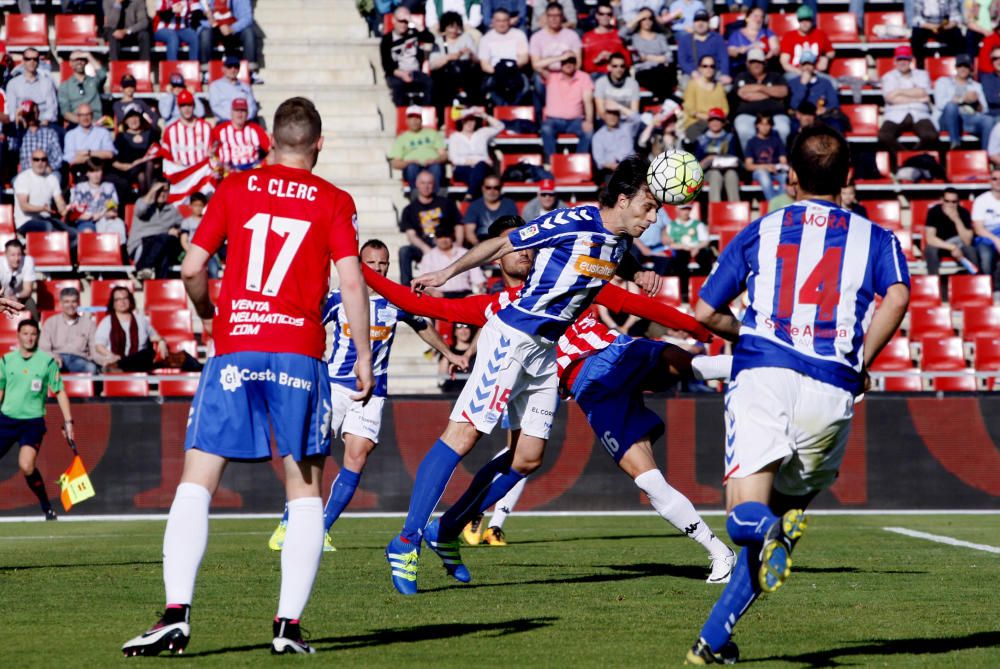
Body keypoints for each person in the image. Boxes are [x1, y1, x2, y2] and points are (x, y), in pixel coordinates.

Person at [121, 97, 374, 657]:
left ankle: (176, 613)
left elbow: (191, 267)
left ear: (269, 140)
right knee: (304, 490)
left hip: (235, 347)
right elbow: (352, 284)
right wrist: (362, 353)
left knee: (197, 478)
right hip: (298, 353)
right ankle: (287, 627)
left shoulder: (235, 188)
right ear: (319, 143)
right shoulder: (334, 200)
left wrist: (210, 311)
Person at [369, 209, 737, 589]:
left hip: (613, 356)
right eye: (517, 244)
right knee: (507, 450)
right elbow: (424, 307)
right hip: (576, 381)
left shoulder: (573, 278)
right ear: (498, 256)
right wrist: (353, 265)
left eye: (530, 242)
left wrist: (703, 326)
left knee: (530, 456)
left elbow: (640, 306)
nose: (525, 250)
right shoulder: (493, 305)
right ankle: (427, 533)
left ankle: (444, 530)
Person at [382, 157, 663, 595]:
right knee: (462, 437)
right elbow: (503, 244)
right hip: (511, 338)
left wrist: (638, 272)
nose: (653, 217)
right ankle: (405, 541)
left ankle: (446, 531)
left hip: (544, 350)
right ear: (623, 199)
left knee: (528, 457)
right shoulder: (573, 221)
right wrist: (446, 272)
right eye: (647, 206)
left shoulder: (620, 243)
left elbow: (609, 263)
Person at [684, 124, 910, 665]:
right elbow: (898, 296)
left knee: (746, 518)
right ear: (849, 177)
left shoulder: (763, 229)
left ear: (789, 176)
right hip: (832, 389)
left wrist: (754, 335)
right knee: (779, 523)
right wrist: (861, 363)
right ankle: (712, 643)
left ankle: (768, 528)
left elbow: (705, 312)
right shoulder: (876, 238)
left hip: (765, 375)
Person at [268, 239, 464, 553]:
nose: (378, 269)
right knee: (312, 454)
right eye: (372, 264)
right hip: (334, 385)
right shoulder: (339, 299)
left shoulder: (395, 303)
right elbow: (309, 326)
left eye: (383, 264)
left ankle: (321, 530)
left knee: (358, 456)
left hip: (374, 392)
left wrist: (449, 353)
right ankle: (287, 523)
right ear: (360, 265)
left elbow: (422, 324)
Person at [0, 319, 75, 522]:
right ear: (18, 335)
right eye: (25, 333)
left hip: (32, 422)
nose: (29, 337)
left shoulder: (47, 362)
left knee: (27, 466)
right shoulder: (6, 361)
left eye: (33, 334)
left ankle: (47, 508)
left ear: (38, 337)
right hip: (6, 420)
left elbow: (59, 391)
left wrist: (68, 422)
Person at [399, 170, 463, 286]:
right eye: (423, 183)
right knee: (404, 251)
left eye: (429, 183)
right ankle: (406, 287)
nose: (426, 186)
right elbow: (411, 235)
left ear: (434, 185)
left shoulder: (447, 203)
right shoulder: (409, 209)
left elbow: (458, 225)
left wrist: (458, 244)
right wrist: (426, 250)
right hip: (424, 246)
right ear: (417, 184)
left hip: (446, 243)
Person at [879, 45, 938, 154]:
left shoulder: (922, 74)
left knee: (931, 136)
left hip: (919, 113)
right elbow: (891, 99)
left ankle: (911, 158)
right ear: (895, 61)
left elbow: (923, 92)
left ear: (911, 60)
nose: (902, 62)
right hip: (895, 113)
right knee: (884, 136)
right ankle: (907, 158)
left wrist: (898, 91)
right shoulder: (888, 76)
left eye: (905, 59)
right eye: (899, 59)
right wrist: (917, 98)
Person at [93, 287, 168, 372]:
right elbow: (99, 346)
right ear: (113, 304)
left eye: (125, 298)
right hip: (116, 359)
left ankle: (121, 366)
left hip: (137, 362)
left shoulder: (141, 320)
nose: (122, 302)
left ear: (130, 300)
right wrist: (111, 355)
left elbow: (155, 337)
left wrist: (162, 342)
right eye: (118, 299)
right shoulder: (107, 321)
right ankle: (121, 365)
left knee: (148, 353)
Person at [529, 2, 582, 117]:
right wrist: (560, 58)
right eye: (551, 16)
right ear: (546, 17)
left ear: (562, 17)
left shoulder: (572, 35)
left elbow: (578, 63)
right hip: (546, 73)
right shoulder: (537, 37)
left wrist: (564, 73)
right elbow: (535, 64)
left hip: (567, 73)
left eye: (557, 16)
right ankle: (542, 118)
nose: (554, 19)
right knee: (537, 80)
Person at [539, 54, 593, 166]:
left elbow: (588, 101)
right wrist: (559, 57)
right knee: (546, 128)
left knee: (588, 131)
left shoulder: (583, 77)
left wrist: (589, 120)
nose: (568, 64)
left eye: (571, 61)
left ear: (576, 63)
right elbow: (536, 65)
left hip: (575, 121)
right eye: (565, 61)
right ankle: (551, 164)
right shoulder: (552, 76)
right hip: (553, 120)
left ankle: (580, 163)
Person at [732, 48, 790, 149]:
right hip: (747, 114)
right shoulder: (742, 76)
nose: (756, 64)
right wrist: (770, 92)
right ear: (747, 63)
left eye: (759, 61)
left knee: (783, 129)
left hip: (775, 114)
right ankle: (750, 160)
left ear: (765, 62)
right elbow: (743, 94)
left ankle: (780, 159)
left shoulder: (775, 76)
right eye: (752, 62)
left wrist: (760, 88)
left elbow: (783, 92)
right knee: (744, 129)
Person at [934, 53, 992, 149]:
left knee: (988, 120)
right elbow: (940, 104)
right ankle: (955, 143)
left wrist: (977, 102)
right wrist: (962, 99)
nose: (963, 69)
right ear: (956, 68)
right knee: (951, 107)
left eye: (966, 66)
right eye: (960, 66)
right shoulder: (943, 82)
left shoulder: (976, 86)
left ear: (970, 69)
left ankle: (986, 156)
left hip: (967, 118)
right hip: (947, 119)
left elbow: (984, 110)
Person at [381, 5, 435, 106]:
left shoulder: (414, 33)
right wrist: (402, 74)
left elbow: (430, 38)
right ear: (394, 20)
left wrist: (414, 22)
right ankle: (402, 114)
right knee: (398, 86)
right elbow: (387, 65)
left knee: (429, 83)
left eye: (406, 21)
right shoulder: (387, 40)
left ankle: (424, 112)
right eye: (400, 21)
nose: (403, 24)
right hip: (397, 73)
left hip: (415, 72)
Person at [129, 181, 184, 279]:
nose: (162, 194)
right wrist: (152, 191)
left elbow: (183, 225)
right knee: (164, 240)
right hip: (142, 245)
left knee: (167, 247)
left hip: (162, 244)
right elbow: (140, 210)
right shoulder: (142, 202)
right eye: (159, 191)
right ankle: (145, 268)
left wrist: (177, 231)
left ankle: (153, 277)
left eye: (165, 191)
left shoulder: (171, 210)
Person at [447, 107, 504, 201]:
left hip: (482, 168)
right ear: (462, 122)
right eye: (467, 120)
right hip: (463, 168)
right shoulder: (455, 137)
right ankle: (477, 196)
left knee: (480, 168)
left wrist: (484, 115)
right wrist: (474, 161)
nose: (470, 123)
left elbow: (500, 126)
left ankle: (470, 195)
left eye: (472, 120)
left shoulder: (482, 133)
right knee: (479, 172)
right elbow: (454, 159)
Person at [40, 287, 99, 374]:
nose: (70, 305)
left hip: (79, 360)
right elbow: (43, 348)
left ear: (78, 303)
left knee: (91, 368)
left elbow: (94, 350)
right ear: (61, 304)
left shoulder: (89, 324)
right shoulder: (50, 322)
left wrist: (106, 361)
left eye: (73, 301)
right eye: (66, 302)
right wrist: (54, 357)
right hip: (57, 358)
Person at [429, 12, 481, 112]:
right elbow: (433, 64)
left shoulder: (466, 38)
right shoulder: (438, 41)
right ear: (445, 27)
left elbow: (477, 60)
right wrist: (449, 57)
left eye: (457, 27)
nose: (454, 31)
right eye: (451, 27)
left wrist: (470, 55)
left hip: (465, 73)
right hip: (445, 74)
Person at [416, 225, 487, 297]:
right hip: (440, 296)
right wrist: (432, 291)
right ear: (435, 239)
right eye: (440, 237)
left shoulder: (465, 253)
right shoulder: (428, 257)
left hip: (465, 295)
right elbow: (424, 283)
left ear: (452, 237)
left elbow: (478, 278)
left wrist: (479, 289)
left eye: (446, 236)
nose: (443, 240)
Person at [478, 9, 530, 106]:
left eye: (504, 20)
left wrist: (509, 69)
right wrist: (499, 70)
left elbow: (524, 58)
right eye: (498, 21)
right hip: (495, 73)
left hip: (515, 71)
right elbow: (484, 64)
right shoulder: (486, 38)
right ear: (493, 22)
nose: (501, 24)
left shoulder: (519, 35)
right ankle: (501, 112)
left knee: (524, 87)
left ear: (509, 21)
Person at [389, 105, 447, 192]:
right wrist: (408, 162)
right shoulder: (402, 138)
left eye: (417, 118)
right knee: (412, 168)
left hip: (431, 165)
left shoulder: (433, 133)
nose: (414, 121)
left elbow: (444, 156)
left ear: (421, 119)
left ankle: (435, 199)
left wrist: (435, 160)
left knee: (436, 168)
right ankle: (417, 198)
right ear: (407, 120)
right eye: (411, 118)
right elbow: (394, 163)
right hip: (412, 167)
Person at [199, 0, 260, 80]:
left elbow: (247, 18)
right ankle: (206, 72)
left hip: (233, 28)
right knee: (205, 33)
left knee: (249, 33)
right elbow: (199, 17)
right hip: (213, 28)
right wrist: (211, 22)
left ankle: (251, 71)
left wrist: (232, 28)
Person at [13, 150, 70, 235]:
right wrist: (42, 208)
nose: (40, 162)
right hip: (26, 221)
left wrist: (65, 208)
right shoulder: (23, 178)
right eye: (36, 159)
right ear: (31, 161)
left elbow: (59, 202)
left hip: (46, 219)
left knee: (73, 234)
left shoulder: (52, 179)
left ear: (47, 162)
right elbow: (24, 206)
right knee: (48, 227)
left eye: (43, 159)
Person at [925, 188, 978, 276]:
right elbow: (930, 238)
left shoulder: (964, 213)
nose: (950, 204)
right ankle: (933, 279)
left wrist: (956, 219)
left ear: (958, 202)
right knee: (930, 250)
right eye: (947, 201)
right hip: (942, 245)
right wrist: (952, 247)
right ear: (942, 200)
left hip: (960, 245)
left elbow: (967, 241)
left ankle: (974, 281)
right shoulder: (934, 212)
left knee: (971, 250)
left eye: (954, 202)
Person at [211, 98, 271, 174]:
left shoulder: (255, 129)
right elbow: (211, 154)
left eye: (243, 110)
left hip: (252, 170)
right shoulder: (219, 130)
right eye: (236, 110)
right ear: (231, 112)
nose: (239, 114)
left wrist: (262, 164)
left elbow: (270, 149)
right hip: (228, 172)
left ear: (247, 113)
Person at [693, 108, 740, 202]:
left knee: (732, 175)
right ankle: (715, 207)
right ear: (708, 122)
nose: (715, 123)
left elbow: (735, 157)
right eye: (712, 120)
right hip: (709, 171)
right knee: (715, 175)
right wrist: (708, 160)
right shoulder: (701, 139)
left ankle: (734, 207)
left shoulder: (730, 138)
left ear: (723, 123)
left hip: (728, 169)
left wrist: (719, 158)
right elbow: (697, 164)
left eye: (718, 120)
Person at [112, 104, 157, 200]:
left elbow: (157, 154)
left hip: (151, 170)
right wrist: (132, 165)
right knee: (140, 175)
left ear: (140, 118)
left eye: (136, 116)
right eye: (130, 117)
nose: (133, 120)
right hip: (130, 170)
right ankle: (147, 201)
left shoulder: (151, 134)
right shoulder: (121, 137)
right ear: (125, 121)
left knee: (146, 169)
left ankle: (146, 202)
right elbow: (114, 162)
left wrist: (141, 161)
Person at [3, 49, 59, 127]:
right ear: (23, 61)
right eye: (28, 59)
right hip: (21, 124)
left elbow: (52, 110)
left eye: (35, 59)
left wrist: (43, 122)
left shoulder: (47, 82)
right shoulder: (13, 83)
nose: (32, 61)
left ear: (38, 61)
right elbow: (11, 112)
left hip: (43, 124)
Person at [778, 6, 834, 84]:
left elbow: (831, 52)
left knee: (832, 83)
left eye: (808, 20)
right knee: (784, 82)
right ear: (798, 21)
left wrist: (825, 57)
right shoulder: (789, 36)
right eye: (802, 20)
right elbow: (784, 62)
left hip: (815, 72)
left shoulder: (820, 34)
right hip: (795, 72)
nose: (805, 23)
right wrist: (801, 73)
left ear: (812, 21)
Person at [628, 8, 674, 102]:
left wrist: (648, 57)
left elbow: (669, 57)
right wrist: (637, 18)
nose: (647, 21)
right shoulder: (634, 38)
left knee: (665, 75)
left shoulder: (660, 37)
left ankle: (662, 100)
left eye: (650, 18)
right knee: (656, 79)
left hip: (661, 70)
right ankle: (668, 101)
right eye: (644, 19)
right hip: (643, 71)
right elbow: (621, 34)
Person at [677, 10, 730, 86]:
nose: (700, 23)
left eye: (704, 20)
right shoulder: (685, 39)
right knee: (685, 85)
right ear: (693, 23)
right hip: (693, 73)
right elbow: (682, 60)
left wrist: (725, 73)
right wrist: (692, 72)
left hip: (714, 72)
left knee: (727, 86)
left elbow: (724, 58)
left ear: (708, 23)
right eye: (697, 20)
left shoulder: (717, 38)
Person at [462, 173, 519, 244]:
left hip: (503, 244)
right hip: (480, 244)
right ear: (482, 188)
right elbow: (469, 233)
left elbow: (514, 230)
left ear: (501, 188)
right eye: (488, 187)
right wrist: (481, 248)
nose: (492, 191)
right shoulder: (474, 206)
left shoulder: (509, 204)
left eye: (496, 188)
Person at [682, 56, 729, 142]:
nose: (709, 69)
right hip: (697, 122)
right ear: (699, 68)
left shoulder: (719, 86)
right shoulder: (692, 85)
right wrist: (710, 119)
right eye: (705, 66)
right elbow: (690, 109)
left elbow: (725, 109)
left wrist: (716, 120)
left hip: (718, 122)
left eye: (712, 66)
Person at [744, 114, 788, 202]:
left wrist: (779, 167)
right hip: (759, 171)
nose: (765, 127)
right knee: (764, 176)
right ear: (757, 125)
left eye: (767, 124)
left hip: (775, 171)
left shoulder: (777, 141)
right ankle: (774, 205)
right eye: (762, 124)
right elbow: (748, 166)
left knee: (785, 177)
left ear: (771, 126)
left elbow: (783, 161)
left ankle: (779, 204)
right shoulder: (751, 142)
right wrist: (766, 167)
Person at [592, 107, 642, 184]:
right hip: (612, 172)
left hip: (631, 168)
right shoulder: (598, 136)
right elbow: (600, 161)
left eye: (615, 114)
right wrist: (614, 166)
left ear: (619, 115)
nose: (612, 117)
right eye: (609, 114)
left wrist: (619, 107)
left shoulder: (627, 128)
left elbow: (637, 119)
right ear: (604, 116)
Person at [68, 158, 118, 233]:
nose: (96, 175)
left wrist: (100, 215)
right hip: (86, 221)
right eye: (92, 171)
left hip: (106, 220)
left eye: (98, 171)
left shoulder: (109, 187)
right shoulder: (80, 188)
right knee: (87, 231)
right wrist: (91, 216)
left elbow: (113, 211)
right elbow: (75, 213)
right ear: (87, 173)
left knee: (116, 227)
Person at [911, 0, 965, 68]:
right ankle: (920, 66)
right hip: (927, 26)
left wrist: (945, 26)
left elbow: (955, 16)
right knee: (916, 35)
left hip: (944, 26)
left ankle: (960, 66)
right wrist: (932, 27)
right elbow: (917, 18)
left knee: (958, 36)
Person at [15, 100, 63, 178]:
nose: (31, 117)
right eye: (29, 114)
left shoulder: (49, 133)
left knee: (57, 177)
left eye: (33, 113)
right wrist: (17, 123)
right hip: (27, 174)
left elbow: (59, 157)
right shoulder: (20, 134)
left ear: (38, 113)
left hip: (46, 172)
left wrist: (50, 168)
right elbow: (12, 149)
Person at [57, 52, 107, 126]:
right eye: (76, 60)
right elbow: (65, 112)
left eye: (82, 59)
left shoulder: (94, 81)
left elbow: (102, 74)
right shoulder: (65, 86)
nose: (79, 62)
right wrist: (84, 122)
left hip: (96, 121)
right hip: (76, 123)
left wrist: (88, 55)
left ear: (86, 62)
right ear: (70, 63)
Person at [727, 7, 778, 78]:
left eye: (761, 17)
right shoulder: (736, 34)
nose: (759, 19)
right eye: (756, 16)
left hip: (763, 68)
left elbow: (776, 49)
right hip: (741, 69)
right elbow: (731, 52)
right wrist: (750, 47)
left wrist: (771, 53)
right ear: (747, 18)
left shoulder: (767, 32)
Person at [582, 2, 630, 76]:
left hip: (617, 74)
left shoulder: (619, 35)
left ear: (611, 16)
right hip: (596, 75)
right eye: (602, 14)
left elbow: (628, 61)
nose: (605, 17)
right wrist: (597, 60)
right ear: (597, 16)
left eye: (608, 14)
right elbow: (585, 67)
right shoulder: (587, 37)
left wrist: (614, 58)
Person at [63, 103, 116, 168]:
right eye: (82, 115)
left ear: (92, 115)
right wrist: (98, 155)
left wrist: (88, 152)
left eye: (88, 114)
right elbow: (70, 159)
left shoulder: (103, 132)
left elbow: (109, 154)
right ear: (78, 116)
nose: (85, 118)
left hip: (100, 170)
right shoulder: (70, 135)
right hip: (80, 170)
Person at [208, 55, 257, 122]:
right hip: (225, 121)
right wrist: (234, 119)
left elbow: (252, 106)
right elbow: (215, 107)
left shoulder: (246, 87)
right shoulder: (215, 86)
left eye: (236, 67)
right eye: (229, 66)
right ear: (223, 69)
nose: (233, 69)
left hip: (245, 122)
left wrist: (244, 119)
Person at [972, 168, 1000, 282]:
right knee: (986, 258)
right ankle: (988, 291)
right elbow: (978, 229)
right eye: (995, 179)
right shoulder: (981, 200)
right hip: (986, 238)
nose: (998, 182)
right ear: (990, 181)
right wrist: (996, 240)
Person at [594, 52, 640, 117]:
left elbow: (635, 114)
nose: (619, 69)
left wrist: (618, 107)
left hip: (627, 121)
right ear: (609, 67)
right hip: (607, 121)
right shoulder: (600, 83)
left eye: (622, 66)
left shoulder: (633, 84)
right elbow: (601, 111)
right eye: (615, 66)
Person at [0, 240, 38, 319]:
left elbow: (27, 290)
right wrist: (5, 299)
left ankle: (34, 327)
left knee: (30, 303)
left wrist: (16, 296)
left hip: (20, 296)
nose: (16, 258)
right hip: (2, 297)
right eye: (13, 255)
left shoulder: (28, 261)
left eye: (19, 254)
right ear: (5, 254)